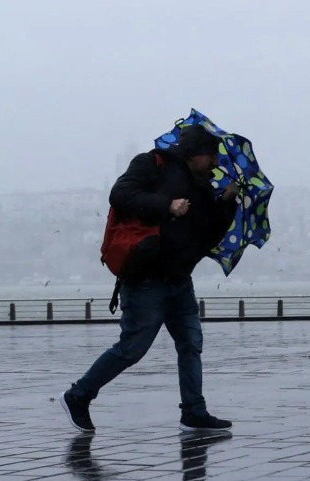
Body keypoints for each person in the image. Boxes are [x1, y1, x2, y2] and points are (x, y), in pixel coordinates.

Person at [60, 124, 238, 433]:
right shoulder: (150, 164)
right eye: (211, 156)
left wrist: (226, 204)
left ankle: (194, 411)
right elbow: (120, 195)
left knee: (190, 343)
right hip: (145, 278)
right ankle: (79, 395)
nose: (215, 163)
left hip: (179, 279)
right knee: (133, 347)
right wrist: (166, 206)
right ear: (195, 154)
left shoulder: (203, 187)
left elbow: (208, 237)